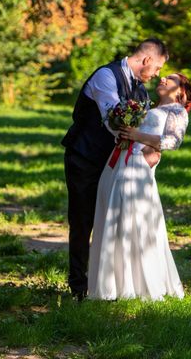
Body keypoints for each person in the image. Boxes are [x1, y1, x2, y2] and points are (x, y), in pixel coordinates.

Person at [61, 39, 169, 300]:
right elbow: (115, 120)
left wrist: (155, 146)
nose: (157, 75)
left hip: (118, 164)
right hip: (85, 157)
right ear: (146, 60)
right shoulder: (105, 76)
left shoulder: (140, 90)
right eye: (156, 68)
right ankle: (78, 286)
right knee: (82, 220)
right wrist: (143, 137)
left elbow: (144, 126)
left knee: (115, 222)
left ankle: (111, 285)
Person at [88, 73, 191, 300]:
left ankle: (137, 285)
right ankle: (111, 284)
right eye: (163, 76)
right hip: (119, 161)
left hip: (137, 169)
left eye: (170, 79)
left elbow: (173, 142)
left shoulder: (177, 112)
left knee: (133, 221)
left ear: (181, 91)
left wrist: (138, 136)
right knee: (113, 217)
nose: (163, 79)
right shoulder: (146, 106)